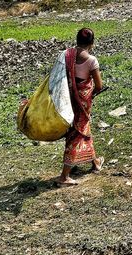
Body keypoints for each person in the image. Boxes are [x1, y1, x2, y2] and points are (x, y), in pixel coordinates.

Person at [56, 27, 104, 186]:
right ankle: (64, 176)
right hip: (82, 102)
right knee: (77, 134)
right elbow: (99, 85)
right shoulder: (91, 61)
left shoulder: (66, 55)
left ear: (77, 40)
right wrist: (89, 90)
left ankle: (95, 162)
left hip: (68, 101)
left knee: (81, 130)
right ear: (92, 43)